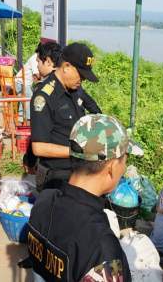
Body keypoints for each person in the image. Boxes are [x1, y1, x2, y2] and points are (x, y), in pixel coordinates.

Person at [27, 113, 143, 281]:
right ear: (111, 167)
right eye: (125, 159)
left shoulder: (44, 200)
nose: (125, 167)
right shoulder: (102, 247)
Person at [30, 43, 100, 190]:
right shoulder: (44, 96)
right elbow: (39, 148)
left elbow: (94, 111)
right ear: (66, 66)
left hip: (76, 173)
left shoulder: (75, 90)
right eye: (81, 75)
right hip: (55, 177)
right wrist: (78, 152)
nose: (83, 80)